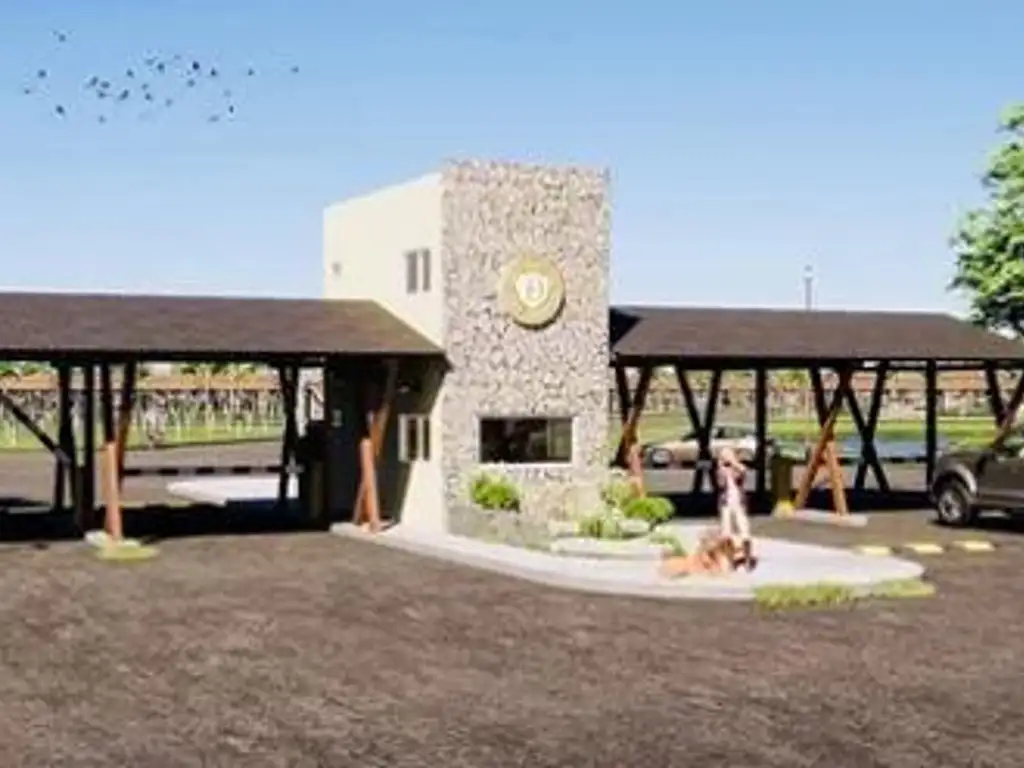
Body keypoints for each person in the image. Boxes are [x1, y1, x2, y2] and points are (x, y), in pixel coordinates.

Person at [716, 446, 756, 571]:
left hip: (739, 504)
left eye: (727, 455)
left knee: (745, 534)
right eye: (723, 456)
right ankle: (730, 561)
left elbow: (743, 472)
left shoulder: (738, 467)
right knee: (726, 535)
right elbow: (720, 484)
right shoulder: (721, 470)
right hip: (726, 505)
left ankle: (748, 560)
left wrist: (733, 463)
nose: (725, 458)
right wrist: (722, 469)